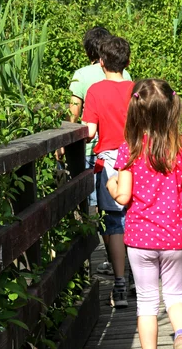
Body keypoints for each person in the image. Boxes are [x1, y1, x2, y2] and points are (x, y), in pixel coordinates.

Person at [106, 79, 182, 349]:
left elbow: (122, 197)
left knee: (147, 304)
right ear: (172, 110)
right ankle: (181, 336)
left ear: (137, 111)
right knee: (177, 296)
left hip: (139, 239)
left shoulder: (130, 149)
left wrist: (111, 186)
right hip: (176, 236)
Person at [55, 27, 131, 276]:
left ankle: (101, 267)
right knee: (124, 211)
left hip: (94, 153)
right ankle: (126, 268)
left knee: (99, 211)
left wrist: (63, 142)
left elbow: (77, 116)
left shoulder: (84, 79)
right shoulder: (129, 79)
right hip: (129, 154)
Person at [82, 36, 134, 308]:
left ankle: (120, 284)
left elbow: (89, 131)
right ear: (127, 63)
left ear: (101, 62)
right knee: (135, 217)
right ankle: (139, 277)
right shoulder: (137, 90)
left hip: (110, 162)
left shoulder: (95, 92)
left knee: (114, 223)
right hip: (137, 159)